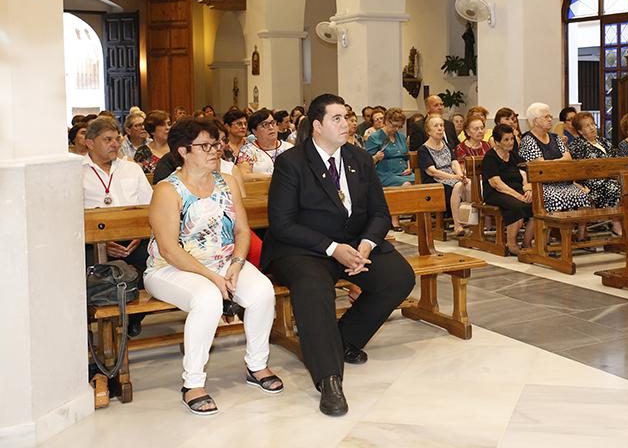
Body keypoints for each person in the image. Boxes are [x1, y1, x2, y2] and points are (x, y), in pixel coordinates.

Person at [263, 93, 415, 417]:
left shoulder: (359, 159)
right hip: (304, 250)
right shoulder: (292, 163)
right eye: (337, 118)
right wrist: (332, 249)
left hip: (353, 246)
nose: (346, 123)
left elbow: (379, 213)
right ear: (317, 126)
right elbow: (282, 224)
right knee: (314, 288)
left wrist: (366, 245)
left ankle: (345, 338)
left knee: (399, 276)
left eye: (346, 117)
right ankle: (329, 379)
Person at [146, 118, 282, 416]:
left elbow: (242, 232)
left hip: (223, 261)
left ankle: (257, 365)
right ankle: (192, 383)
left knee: (262, 291)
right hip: (171, 268)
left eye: (216, 144)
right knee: (207, 299)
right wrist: (212, 278)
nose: (215, 150)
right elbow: (169, 249)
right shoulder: (168, 190)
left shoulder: (226, 181)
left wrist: (236, 264)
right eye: (205, 146)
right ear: (183, 151)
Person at [82, 117, 153, 337]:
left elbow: (149, 206)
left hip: (134, 238)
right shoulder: (77, 171)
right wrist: (101, 242)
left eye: (116, 139)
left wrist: (140, 236)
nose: (114, 144)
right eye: (107, 139)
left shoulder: (131, 169)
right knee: (87, 274)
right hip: (92, 241)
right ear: (90, 143)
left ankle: (132, 317)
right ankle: (95, 329)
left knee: (151, 266)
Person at [518, 102, 591, 212]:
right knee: (558, 199)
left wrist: (551, 162)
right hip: (542, 185)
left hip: (563, 181)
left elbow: (568, 158)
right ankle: (557, 228)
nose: (550, 119)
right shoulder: (528, 140)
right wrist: (558, 161)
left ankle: (579, 230)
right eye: (546, 117)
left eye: (551, 116)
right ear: (535, 121)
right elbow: (541, 166)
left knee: (583, 197)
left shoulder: (555, 137)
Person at [482, 124, 535, 255]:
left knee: (537, 205)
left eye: (512, 139)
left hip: (517, 191)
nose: (510, 142)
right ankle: (511, 244)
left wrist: (528, 190)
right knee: (517, 206)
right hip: (496, 193)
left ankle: (527, 242)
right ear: (496, 141)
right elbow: (496, 184)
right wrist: (519, 196)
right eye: (506, 139)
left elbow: (526, 175)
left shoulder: (514, 156)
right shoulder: (490, 158)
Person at [568, 112, 623, 230]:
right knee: (614, 187)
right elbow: (577, 169)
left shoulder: (603, 141)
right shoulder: (578, 145)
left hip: (609, 178)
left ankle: (623, 222)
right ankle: (615, 224)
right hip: (589, 182)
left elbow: (615, 159)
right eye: (587, 126)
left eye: (592, 124)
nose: (592, 127)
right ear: (581, 131)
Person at [418, 115, 471, 235]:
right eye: (436, 126)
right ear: (428, 131)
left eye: (441, 125)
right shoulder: (423, 149)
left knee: (469, 184)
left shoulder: (446, 145)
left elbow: (454, 162)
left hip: (452, 178)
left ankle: (470, 223)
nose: (440, 128)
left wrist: (460, 175)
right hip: (435, 182)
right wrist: (454, 178)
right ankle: (458, 226)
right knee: (458, 186)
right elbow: (432, 171)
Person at [365, 107, 414, 229]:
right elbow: (367, 162)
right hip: (384, 173)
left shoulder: (401, 137)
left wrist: (409, 168)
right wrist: (376, 157)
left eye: (399, 126)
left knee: (421, 181)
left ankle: (418, 216)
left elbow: (406, 156)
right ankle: (394, 218)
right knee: (405, 184)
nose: (396, 129)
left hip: (403, 172)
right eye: (394, 125)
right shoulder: (375, 137)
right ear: (386, 121)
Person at [237, 108, 293, 178]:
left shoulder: (289, 148)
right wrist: (272, 177)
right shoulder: (248, 151)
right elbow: (243, 175)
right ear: (254, 131)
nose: (271, 127)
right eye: (265, 124)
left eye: (273, 123)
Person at [134, 110, 171, 175]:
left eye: (169, 124)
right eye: (162, 125)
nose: (168, 127)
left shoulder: (178, 148)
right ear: (152, 130)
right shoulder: (142, 152)